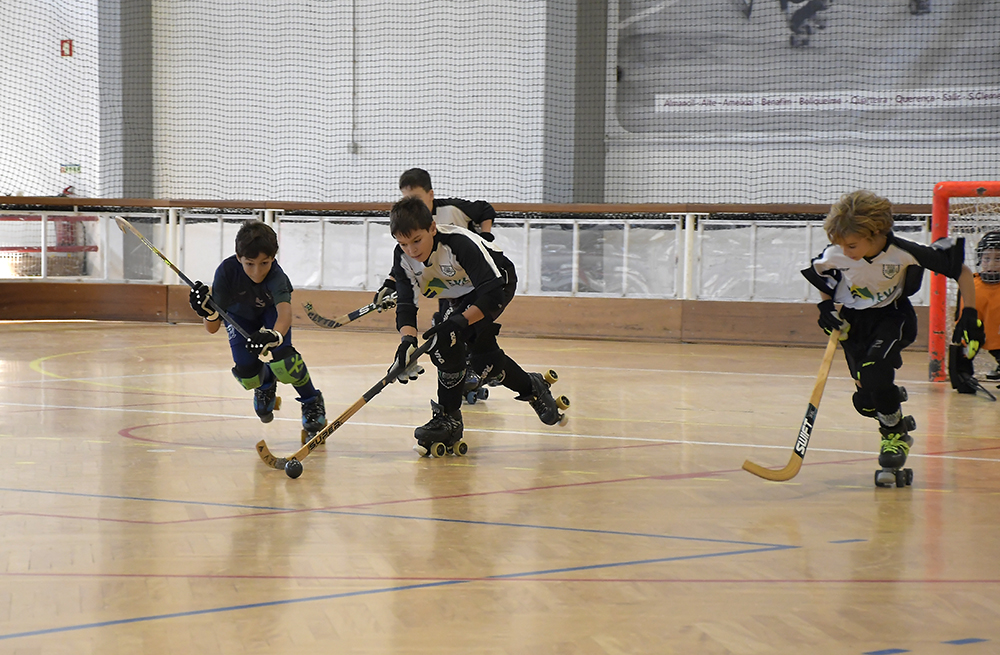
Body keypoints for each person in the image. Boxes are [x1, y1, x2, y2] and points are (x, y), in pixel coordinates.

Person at [802, 190, 983, 483]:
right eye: (842, 245)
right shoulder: (837, 252)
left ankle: (893, 434)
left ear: (875, 233)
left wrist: (970, 314)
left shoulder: (902, 251)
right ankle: (892, 408)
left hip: (892, 317)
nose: (845, 251)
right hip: (854, 324)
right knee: (866, 401)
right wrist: (825, 307)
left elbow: (960, 271)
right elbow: (823, 274)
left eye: (852, 244)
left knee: (874, 371)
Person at [386, 196, 565, 456]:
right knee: (483, 360)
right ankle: (531, 386)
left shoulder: (459, 244)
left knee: (449, 341)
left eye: (417, 240)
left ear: (433, 229)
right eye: (403, 243)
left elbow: (491, 296)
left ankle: (449, 419)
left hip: (494, 286)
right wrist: (406, 342)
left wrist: (458, 322)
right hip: (458, 292)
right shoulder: (402, 256)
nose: (411, 250)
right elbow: (406, 304)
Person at [188, 221, 327, 442]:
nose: (257, 271)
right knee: (247, 376)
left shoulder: (277, 276)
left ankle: (312, 401)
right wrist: (209, 313)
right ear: (238, 257)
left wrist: (275, 336)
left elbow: (284, 315)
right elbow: (211, 328)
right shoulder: (225, 273)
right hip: (239, 316)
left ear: (274, 257)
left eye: (265, 263)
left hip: (270, 313)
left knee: (285, 361)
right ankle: (266, 384)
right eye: (249, 263)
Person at [371, 167, 496, 309]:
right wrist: (390, 283)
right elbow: (407, 258)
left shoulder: (452, 209)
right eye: (407, 199)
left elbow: (485, 209)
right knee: (448, 320)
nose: (412, 203)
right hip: (446, 279)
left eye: (416, 198)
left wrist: (486, 238)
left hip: (472, 275)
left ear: (431, 195)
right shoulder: (409, 226)